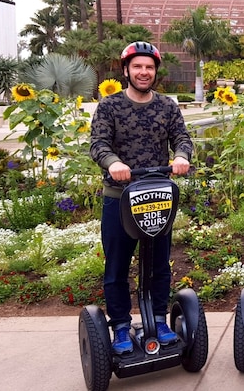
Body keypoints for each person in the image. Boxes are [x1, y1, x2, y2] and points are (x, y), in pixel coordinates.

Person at [90, 41, 193, 355]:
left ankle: (159, 320)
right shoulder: (109, 106)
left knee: (159, 264)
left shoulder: (167, 106)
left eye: (149, 67)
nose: (144, 72)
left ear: (155, 71)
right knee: (117, 266)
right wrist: (114, 163)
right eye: (137, 66)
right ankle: (121, 326)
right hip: (119, 197)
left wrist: (181, 156)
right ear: (126, 70)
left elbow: (182, 137)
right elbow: (98, 144)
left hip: (156, 197)